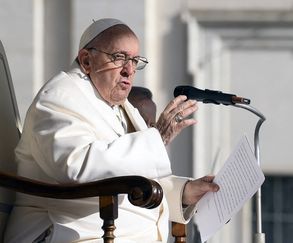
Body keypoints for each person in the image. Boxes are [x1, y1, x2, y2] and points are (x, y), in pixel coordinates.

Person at [4, 18, 219, 243]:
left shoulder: (121, 106)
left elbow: (132, 175)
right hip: (68, 233)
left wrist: (183, 193)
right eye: (119, 58)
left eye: (135, 60)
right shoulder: (58, 96)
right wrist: (157, 138)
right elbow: (74, 166)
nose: (129, 70)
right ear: (87, 60)